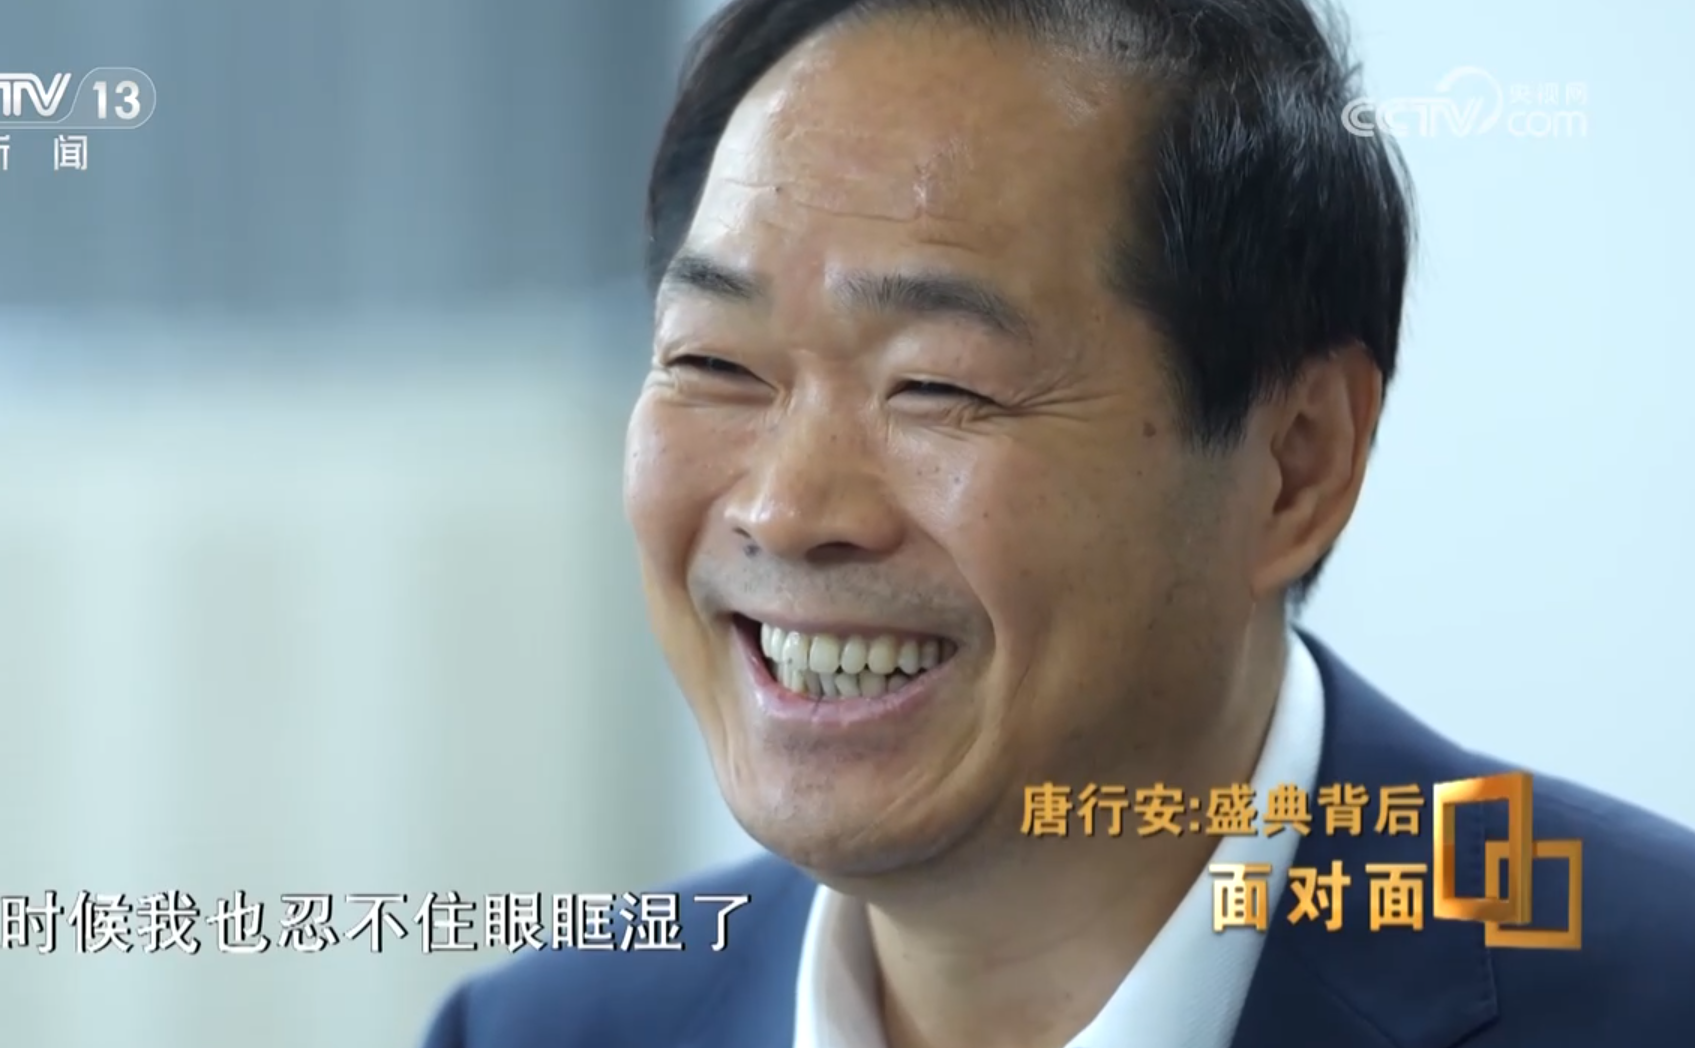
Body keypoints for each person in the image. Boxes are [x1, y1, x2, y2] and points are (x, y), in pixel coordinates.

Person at [423, 0, 1695, 1045]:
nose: (786, 507)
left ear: (1295, 466)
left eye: (939, 385)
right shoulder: (538, 1029)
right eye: (713, 362)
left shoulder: (1653, 991)